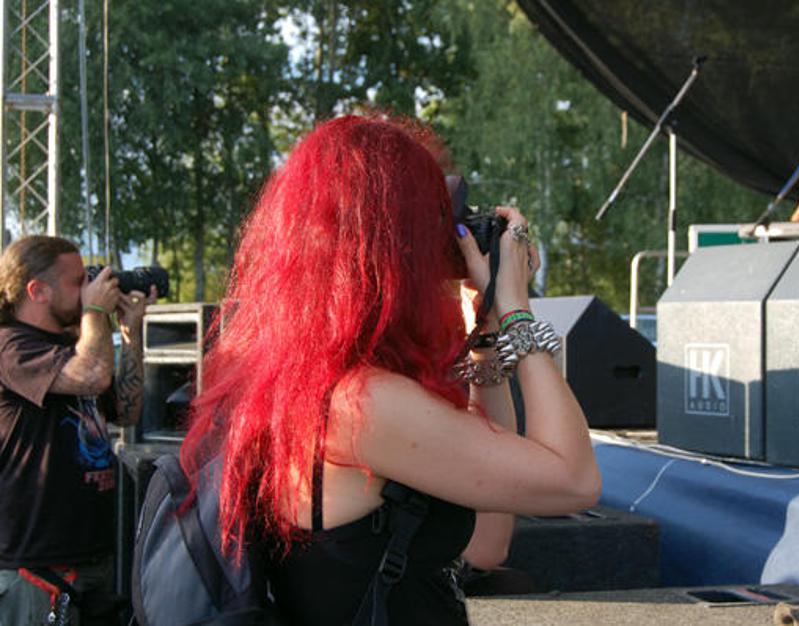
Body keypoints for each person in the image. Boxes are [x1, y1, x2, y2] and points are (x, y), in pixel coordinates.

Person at [180, 114, 601, 625]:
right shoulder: (365, 404)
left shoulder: (313, 385)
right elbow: (575, 480)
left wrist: (488, 336)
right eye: (434, 222)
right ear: (396, 244)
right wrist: (516, 309)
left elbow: (487, 545)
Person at [0, 236, 155, 625]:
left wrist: (131, 333)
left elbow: (128, 412)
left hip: (91, 557)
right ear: (37, 290)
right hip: (34, 567)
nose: (89, 288)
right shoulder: (10, 346)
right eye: (77, 281)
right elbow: (92, 376)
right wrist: (95, 310)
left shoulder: (80, 344)